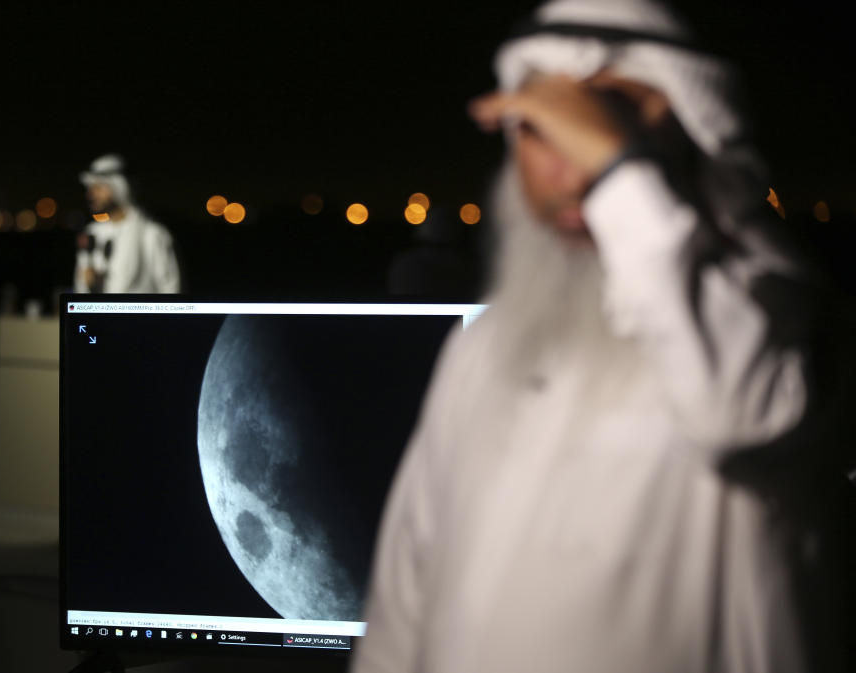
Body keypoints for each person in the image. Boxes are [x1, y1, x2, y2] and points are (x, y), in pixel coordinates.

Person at [351, 1, 852, 672]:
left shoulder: (779, 317)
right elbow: (404, 598)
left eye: (604, 122)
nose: (568, 164)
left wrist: (622, 177)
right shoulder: (483, 347)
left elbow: (743, 412)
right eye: (540, 128)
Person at [74, 154, 181, 293]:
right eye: (91, 188)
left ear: (119, 187)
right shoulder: (91, 233)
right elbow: (80, 290)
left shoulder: (152, 233)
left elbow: (171, 289)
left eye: (98, 187)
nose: (91, 194)